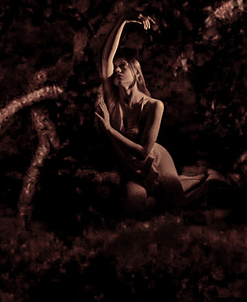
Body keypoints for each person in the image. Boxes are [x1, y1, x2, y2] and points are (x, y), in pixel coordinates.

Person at [94, 15, 228, 217]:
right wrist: (123, 20)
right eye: (117, 67)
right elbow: (105, 58)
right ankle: (176, 182)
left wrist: (109, 130)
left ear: (136, 74)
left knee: (175, 205)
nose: (118, 70)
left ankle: (208, 178)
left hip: (155, 159)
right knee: (137, 208)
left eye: (124, 66)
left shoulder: (154, 105)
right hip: (132, 171)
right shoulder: (113, 101)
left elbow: (143, 151)